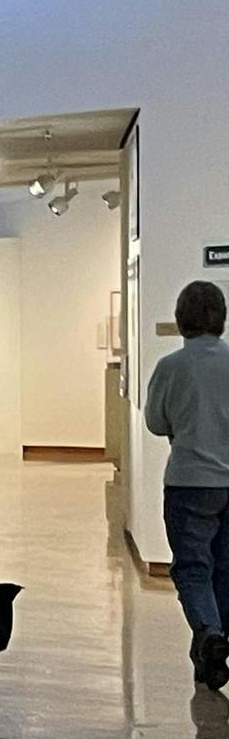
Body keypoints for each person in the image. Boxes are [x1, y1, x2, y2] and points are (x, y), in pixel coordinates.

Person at [145, 280, 229, 689]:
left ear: (181, 320)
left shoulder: (170, 367)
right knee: (225, 568)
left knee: (193, 568)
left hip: (189, 481)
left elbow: (157, 423)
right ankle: (214, 644)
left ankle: (210, 633)